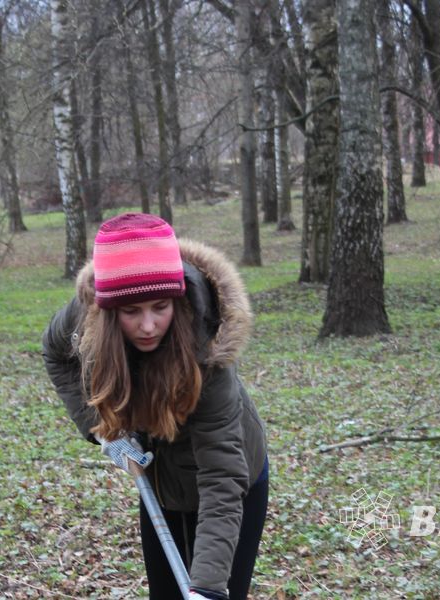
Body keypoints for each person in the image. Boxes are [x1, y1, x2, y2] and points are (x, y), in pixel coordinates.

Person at [42, 213, 268, 600]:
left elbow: (221, 476)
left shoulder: (207, 352)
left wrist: (210, 589)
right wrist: (103, 430)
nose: (148, 325)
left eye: (160, 307)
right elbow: (56, 354)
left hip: (230, 485)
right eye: (132, 312)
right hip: (160, 480)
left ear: (177, 299)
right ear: (110, 312)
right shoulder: (90, 314)